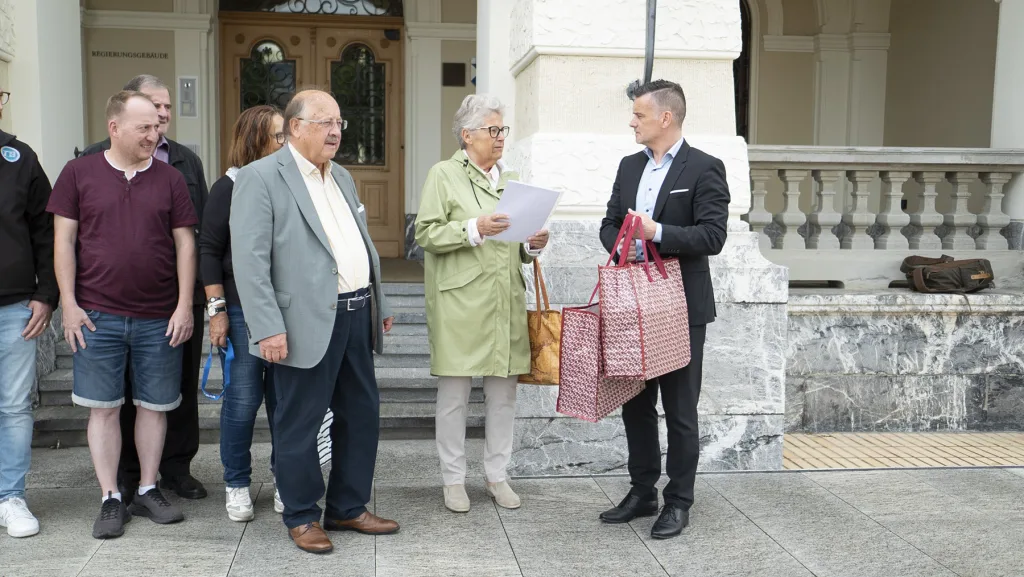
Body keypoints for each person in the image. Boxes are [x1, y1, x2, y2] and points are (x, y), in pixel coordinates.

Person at [231, 89, 398, 554]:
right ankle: (302, 514)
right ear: (295, 127)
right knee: (299, 422)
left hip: (355, 313)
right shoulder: (260, 177)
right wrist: (266, 326)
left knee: (361, 414)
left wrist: (377, 304)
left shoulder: (342, 175)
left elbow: (357, 243)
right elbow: (250, 261)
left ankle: (347, 506)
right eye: (325, 121)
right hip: (299, 322)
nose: (336, 130)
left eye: (339, 121)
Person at [48, 91, 197, 539]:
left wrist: (184, 304)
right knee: (104, 410)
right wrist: (68, 304)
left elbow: (185, 244)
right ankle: (111, 497)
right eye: (145, 127)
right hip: (97, 314)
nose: (155, 134)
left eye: (157, 126)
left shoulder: (171, 178)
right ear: (114, 128)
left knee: (155, 407)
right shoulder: (78, 173)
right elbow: (63, 243)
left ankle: (149, 489)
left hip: (158, 316)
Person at [598, 80, 729, 540]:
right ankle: (641, 491)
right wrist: (623, 243)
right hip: (632, 303)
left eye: (639, 115)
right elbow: (610, 223)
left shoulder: (705, 168)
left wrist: (655, 233)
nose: (631, 122)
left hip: (681, 306)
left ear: (666, 118)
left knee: (679, 409)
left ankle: (679, 501)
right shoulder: (629, 165)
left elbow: (713, 237)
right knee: (635, 404)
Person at [415, 94, 549, 514]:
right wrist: (474, 228)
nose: (500, 138)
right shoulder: (443, 174)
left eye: (502, 130)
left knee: (503, 396)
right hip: (459, 301)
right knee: (454, 396)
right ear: (466, 135)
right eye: (492, 130)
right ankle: (453, 480)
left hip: (504, 299)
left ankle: (497, 475)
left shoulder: (512, 179)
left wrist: (532, 243)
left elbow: (516, 243)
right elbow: (426, 233)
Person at [79, 75, 209, 503]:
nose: (162, 118)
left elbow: (194, 235)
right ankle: (125, 478)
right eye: (154, 109)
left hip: (171, 302)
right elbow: (70, 235)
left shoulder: (184, 164)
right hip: (107, 305)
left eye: (166, 109)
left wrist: (197, 299)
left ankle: (173, 471)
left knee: (174, 394)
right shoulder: (92, 163)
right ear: (121, 120)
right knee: (117, 399)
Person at [200, 105, 286, 522]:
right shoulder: (228, 187)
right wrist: (217, 313)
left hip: (288, 308)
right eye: (277, 135)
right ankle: (236, 484)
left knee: (287, 402)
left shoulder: (290, 182)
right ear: (255, 140)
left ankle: (286, 480)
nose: (284, 142)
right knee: (244, 400)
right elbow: (209, 252)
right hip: (240, 308)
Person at [0, 87, 57, 539]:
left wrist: (47, 294)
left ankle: (10, 497)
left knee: (14, 407)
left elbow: (45, 229)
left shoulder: (20, 157)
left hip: (14, 306)